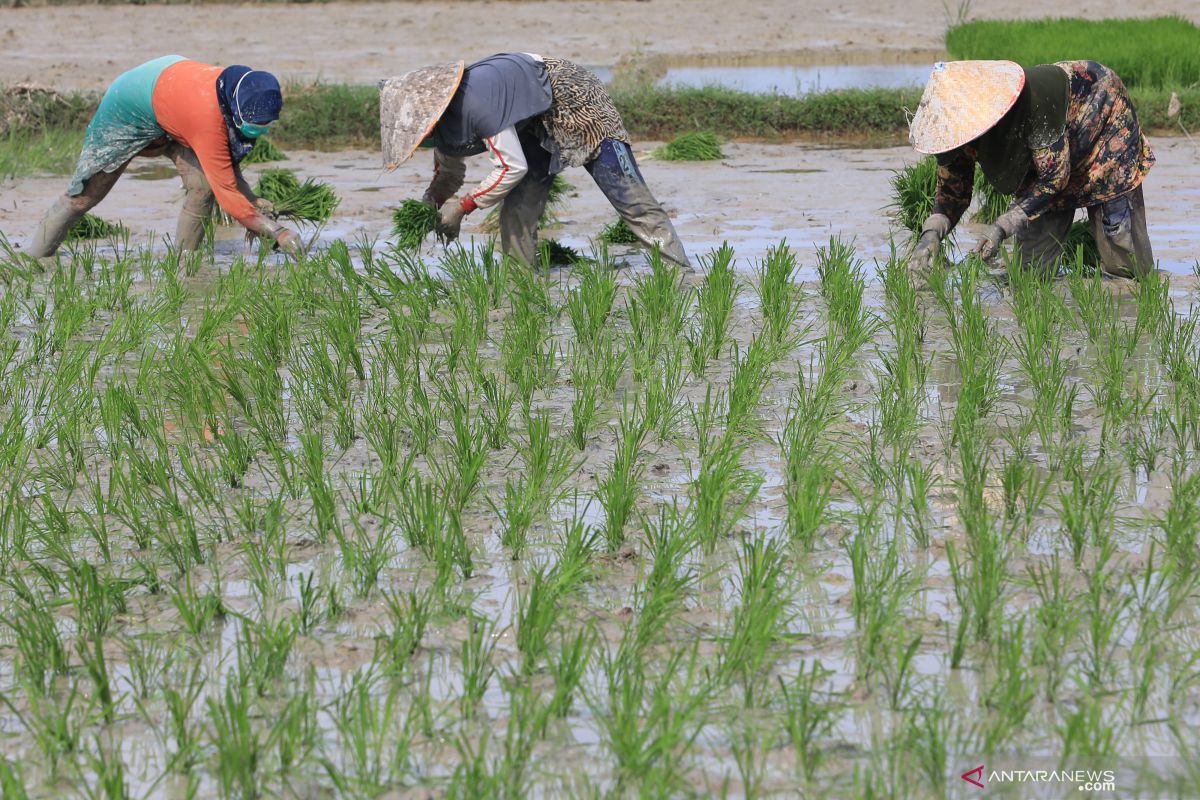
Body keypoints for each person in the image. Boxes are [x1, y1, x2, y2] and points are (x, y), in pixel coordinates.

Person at [379, 53, 691, 268]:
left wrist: (463, 207)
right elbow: (448, 173)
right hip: (530, 123)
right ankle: (520, 285)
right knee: (518, 208)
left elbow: (511, 166)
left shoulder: (476, 105)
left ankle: (680, 273)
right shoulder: (444, 122)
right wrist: (430, 204)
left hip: (573, 96)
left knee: (628, 195)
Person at [28, 55, 302, 258]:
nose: (256, 132)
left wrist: (251, 201)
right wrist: (278, 232)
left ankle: (186, 263)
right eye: (252, 125)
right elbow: (228, 192)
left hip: (171, 100)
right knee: (84, 196)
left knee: (203, 186)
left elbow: (225, 169)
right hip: (129, 106)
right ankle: (34, 259)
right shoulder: (206, 117)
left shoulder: (236, 92)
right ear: (235, 107)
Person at [908, 60, 1155, 278]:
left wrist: (1002, 227)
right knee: (1031, 276)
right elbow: (952, 193)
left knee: (1125, 261)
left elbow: (1054, 180)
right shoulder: (954, 134)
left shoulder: (1032, 104)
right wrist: (930, 234)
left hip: (1101, 117)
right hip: (1046, 158)